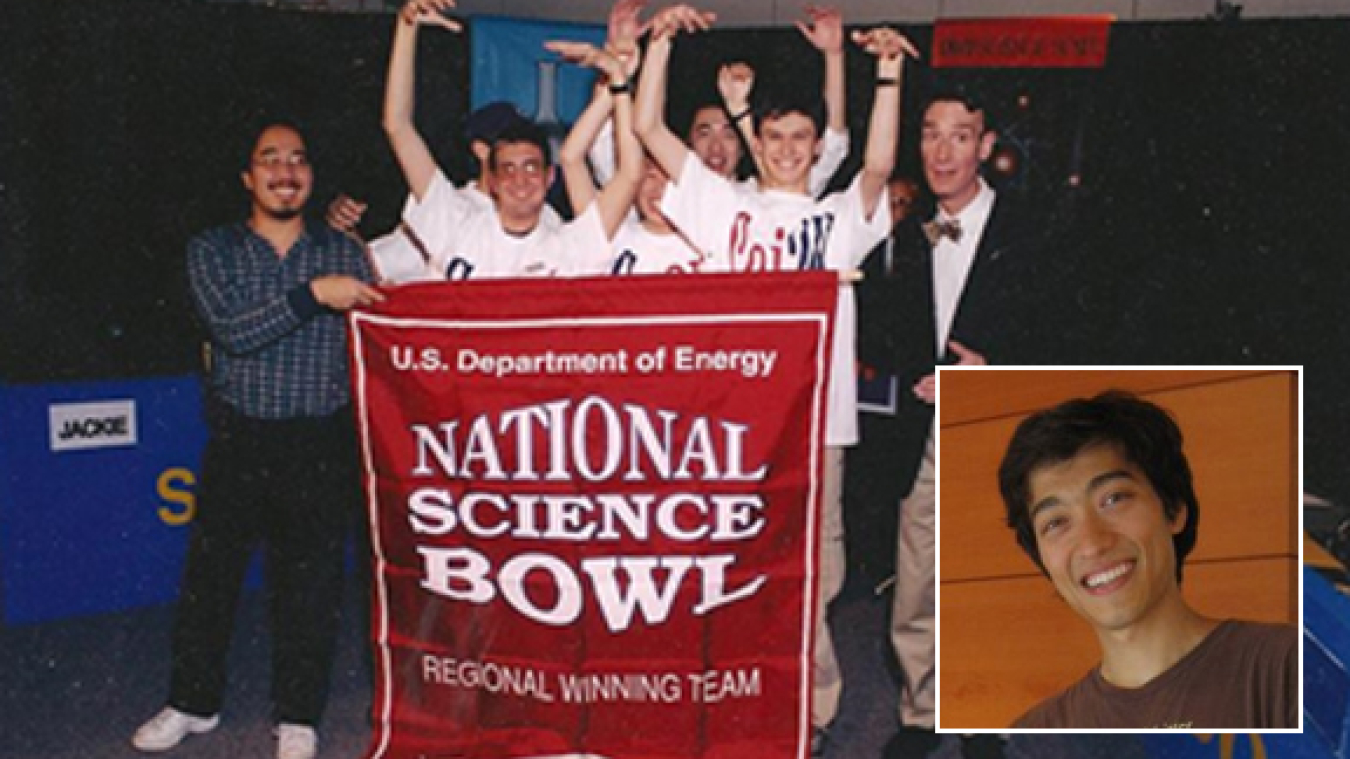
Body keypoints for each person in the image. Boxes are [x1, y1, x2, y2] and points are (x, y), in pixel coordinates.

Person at [634, 6, 916, 754]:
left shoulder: (834, 220)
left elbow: (882, 167)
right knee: (735, 566)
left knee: (815, 574)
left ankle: (813, 708)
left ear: (815, 145)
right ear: (755, 142)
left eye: (801, 139)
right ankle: (739, 691)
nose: (789, 150)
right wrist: (659, 45)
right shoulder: (727, 208)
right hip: (739, 428)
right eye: (776, 137)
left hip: (818, 427)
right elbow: (651, 131)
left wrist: (887, 73)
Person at [131, 121, 383, 759]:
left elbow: (380, 328)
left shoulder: (344, 251)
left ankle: (299, 717)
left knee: (312, 588)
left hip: (320, 443)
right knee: (210, 584)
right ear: (248, 177)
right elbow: (234, 331)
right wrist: (311, 297)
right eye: (269, 159)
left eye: (298, 159)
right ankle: (192, 703)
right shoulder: (211, 249)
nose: (285, 171)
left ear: (312, 176)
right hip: (241, 441)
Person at [855, 85, 1055, 758]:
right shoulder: (908, 236)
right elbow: (886, 333)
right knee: (915, 576)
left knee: (991, 573)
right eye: (931, 135)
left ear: (987, 146)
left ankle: (988, 713)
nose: (942, 151)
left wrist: (993, 365)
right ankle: (922, 708)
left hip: (1000, 419)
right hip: (923, 430)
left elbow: (1070, 328)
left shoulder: (1033, 229)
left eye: (960, 135)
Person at [998, 391, 1298, 729]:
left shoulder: (1289, 668)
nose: (1092, 544)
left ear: (1173, 509)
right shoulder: (1038, 735)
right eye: (1056, 522)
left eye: (1113, 499)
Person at [382, 0, 639, 282]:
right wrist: (406, 30)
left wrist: (618, 80)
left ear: (549, 177)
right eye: (508, 169)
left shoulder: (567, 244)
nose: (520, 180)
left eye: (531, 168)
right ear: (491, 181)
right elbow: (399, 127)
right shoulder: (455, 224)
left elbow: (629, 175)